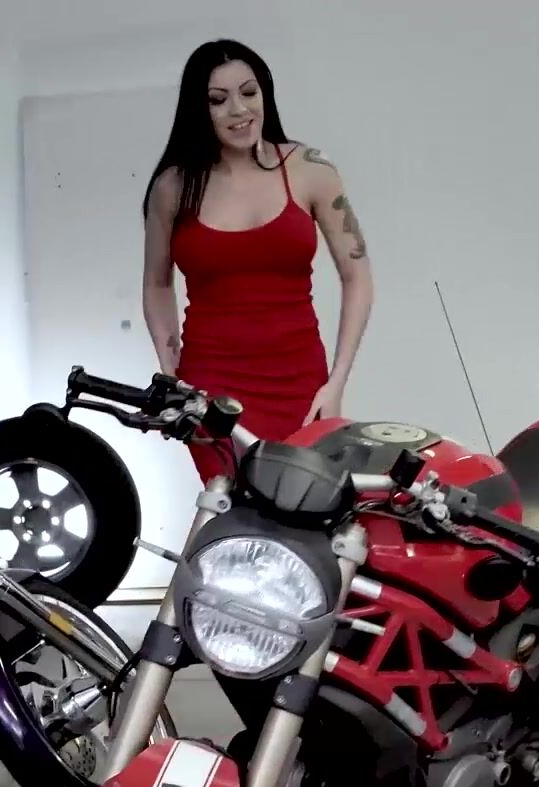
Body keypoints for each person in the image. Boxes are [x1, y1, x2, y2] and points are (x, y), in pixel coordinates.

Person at [141, 40, 375, 482]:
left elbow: (357, 275)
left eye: (249, 93)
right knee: (227, 502)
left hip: (300, 379)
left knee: (307, 503)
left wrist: (337, 381)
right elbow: (157, 283)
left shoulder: (309, 168)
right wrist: (171, 377)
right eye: (218, 99)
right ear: (198, 109)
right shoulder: (173, 187)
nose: (238, 109)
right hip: (211, 386)